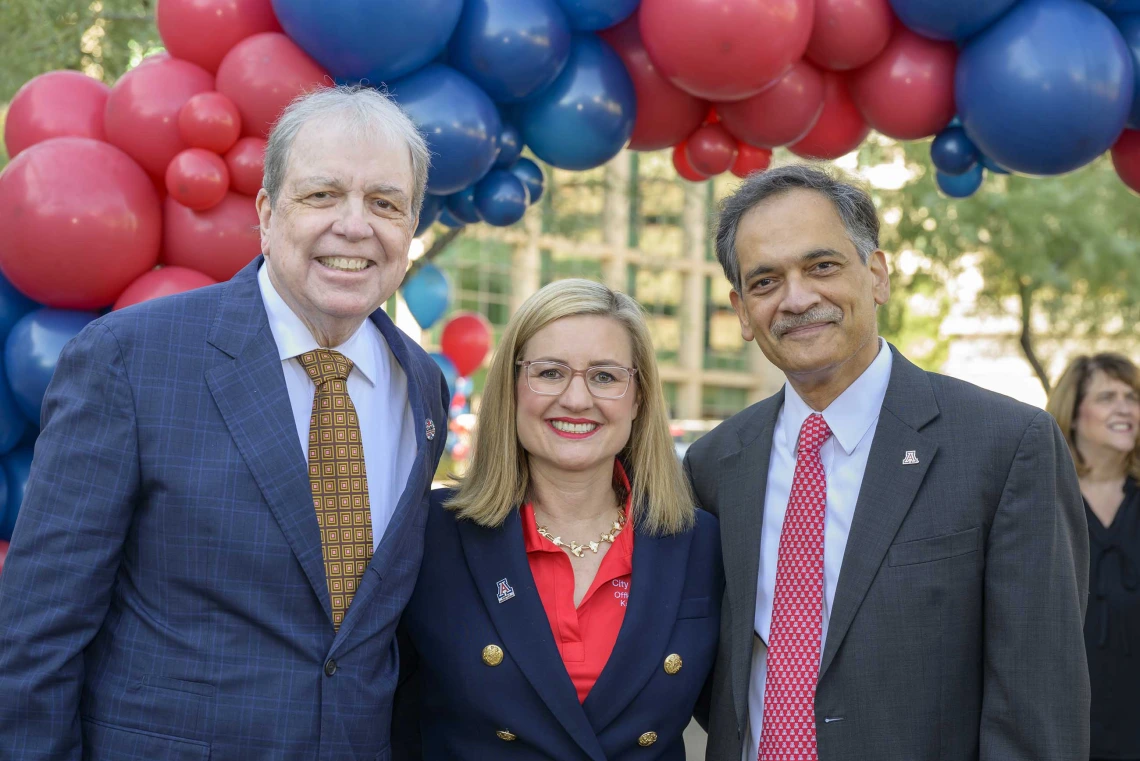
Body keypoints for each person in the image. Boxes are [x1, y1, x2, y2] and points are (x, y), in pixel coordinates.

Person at [0, 85, 449, 759]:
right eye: (323, 195)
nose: (355, 225)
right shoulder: (130, 359)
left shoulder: (423, 386)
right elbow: (37, 633)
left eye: (385, 203)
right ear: (266, 213)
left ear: (410, 227)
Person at [683, 164, 1090, 761]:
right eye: (766, 282)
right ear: (742, 310)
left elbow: (1039, 705)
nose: (797, 298)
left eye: (822, 266)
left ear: (876, 275)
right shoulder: (716, 463)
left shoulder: (1006, 446)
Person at [392, 278, 723, 760]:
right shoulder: (430, 534)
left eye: (605, 377)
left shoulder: (701, 544)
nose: (575, 399)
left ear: (638, 399)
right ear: (512, 388)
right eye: (549, 373)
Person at [1047, 353, 1140, 761]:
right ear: (1073, 411)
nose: (1125, 407)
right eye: (1107, 397)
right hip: (1071, 719)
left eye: (1133, 397)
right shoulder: (1043, 497)